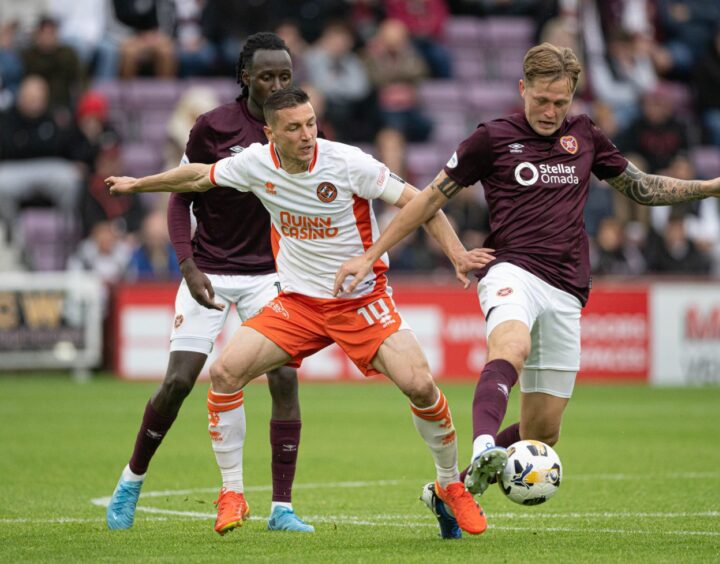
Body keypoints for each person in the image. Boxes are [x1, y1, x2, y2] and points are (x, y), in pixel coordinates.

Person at [332, 42, 720, 502]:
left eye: (561, 102)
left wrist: (709, 187)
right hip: (511, 269)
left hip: (567, 287)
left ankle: (449, 491)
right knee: (511, 346)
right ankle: (483, 445)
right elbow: (428, 199)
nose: (550, 111)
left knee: (543, 432)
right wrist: (371, 253)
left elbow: (640, 187)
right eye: (542, 100)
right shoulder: (492, 138)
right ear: (523, 89)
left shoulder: (585, 136)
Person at [107, 86, 492, 539]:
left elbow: (423, 202)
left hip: (360, 301)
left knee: (420, 385)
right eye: (294, 127)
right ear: (270, 132)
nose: (307, 134)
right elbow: (196, 177)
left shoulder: (348, 162)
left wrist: (457, 254)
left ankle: (449, 485)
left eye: (310, 123)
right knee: (227, 372)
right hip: (298, 304)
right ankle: (233, 493)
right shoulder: (255, 162)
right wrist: (139, 183)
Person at [105, 33, 315, 535]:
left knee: (284, 378)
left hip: (270, 275)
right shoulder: (213, 127)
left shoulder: (297, 129)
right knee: (178, 383)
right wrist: (188, 266)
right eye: (267, 76)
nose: (277, 84)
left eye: (285, 76)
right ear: (245, 77)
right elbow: (181, 195)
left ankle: (280, 508)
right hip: (211, 270)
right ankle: (131, 481)